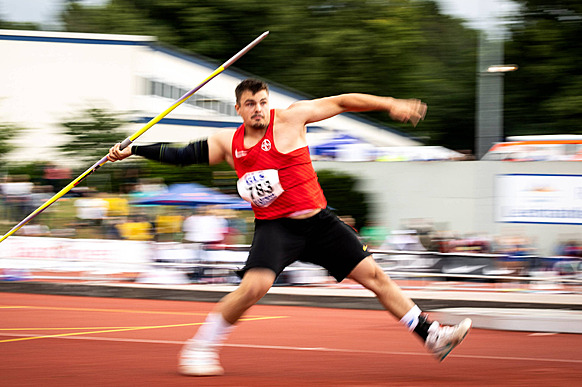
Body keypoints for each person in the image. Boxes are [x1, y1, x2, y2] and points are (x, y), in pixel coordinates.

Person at [108, 78, 471, 376]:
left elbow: (343, 101)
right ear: (238, 108)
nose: (259, 109)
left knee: (375, 276)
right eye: (250, 104)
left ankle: (431, 335)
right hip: (276, 228)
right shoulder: (227, 142)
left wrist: (389, 102)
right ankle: (199, 347)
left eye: (263, 102)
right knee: (255, 286)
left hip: (319, 222)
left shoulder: (293, 118)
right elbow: (183, 155)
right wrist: (135, 149)